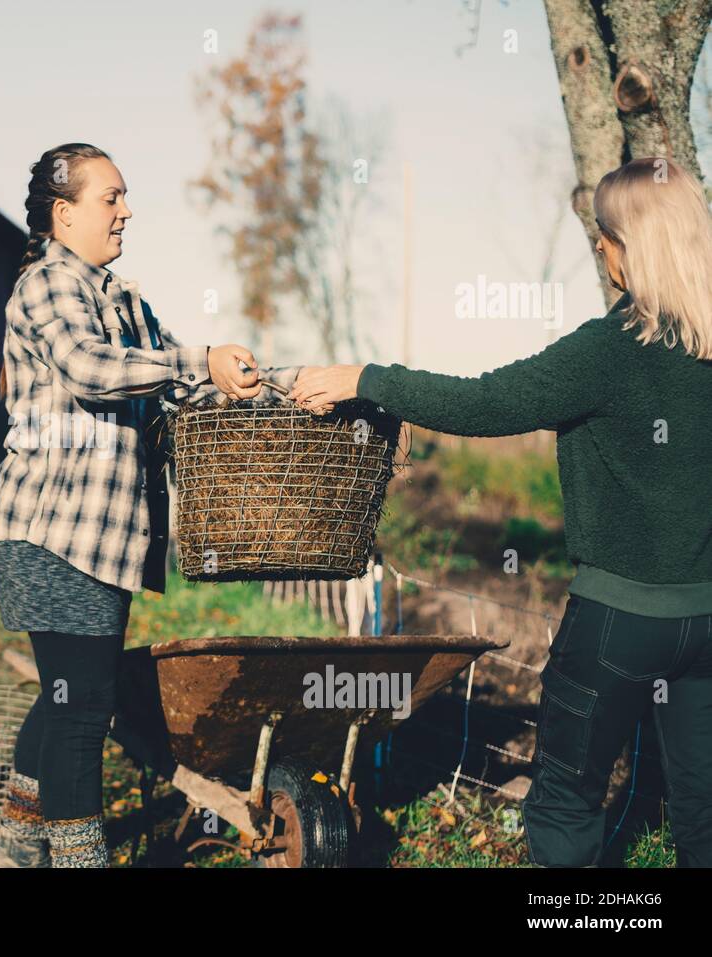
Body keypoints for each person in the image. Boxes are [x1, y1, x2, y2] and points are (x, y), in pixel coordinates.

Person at [290, 156, 712, 867]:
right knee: (702, 805)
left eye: (603, 238)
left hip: (616, 622)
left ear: (622, 248)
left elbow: (486, 402)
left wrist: (364, 378)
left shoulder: (611, 349)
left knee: (566, 803)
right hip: (704, 622)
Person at [0, 142, 298, 867]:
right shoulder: (46, 285)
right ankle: (76, 859)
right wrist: (198, 357)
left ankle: (16, 850)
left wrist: (263, 381)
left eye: (125, 197)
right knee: (84, 707)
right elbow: (92, 370)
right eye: (110, 198)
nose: (126, 211)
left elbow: (179, 382)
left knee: (66, 696)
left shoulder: (125, 299)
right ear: (64, 215)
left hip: (104, 539)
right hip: (51, 532)